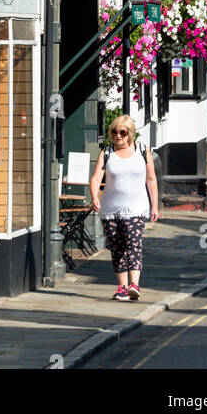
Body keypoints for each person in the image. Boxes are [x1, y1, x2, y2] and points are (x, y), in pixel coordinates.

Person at [89, 114, 159, 301]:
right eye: (115, 132)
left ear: (131, 134)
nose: (118, 136)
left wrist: (154, 206)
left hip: (136, 209)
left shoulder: (143, 151)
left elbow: (151, 179)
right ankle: (122, 287)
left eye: (123, 132)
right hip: (110, 210)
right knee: (117, 249)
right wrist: (95, 196)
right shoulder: (107, 153)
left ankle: (134, 285)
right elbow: (96, 178)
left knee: (133, 244)